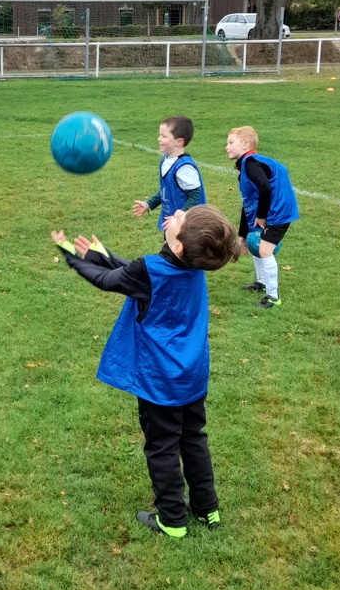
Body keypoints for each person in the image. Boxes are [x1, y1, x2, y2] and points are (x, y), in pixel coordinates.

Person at [51, 206, 240, 539]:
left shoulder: (154, 269)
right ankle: (206, 508)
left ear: (179, 245)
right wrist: (102, 254)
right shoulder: (194, 265)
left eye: (181, 218)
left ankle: (172, 520)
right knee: (193, 439)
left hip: (160, 382)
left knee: (163, 446)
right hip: (192, 376)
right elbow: (138, 275)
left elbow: (112, 281)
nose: (177, 212)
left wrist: (71, 255)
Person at [225, 126, 299, 309]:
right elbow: (247, 203)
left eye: (231, 142)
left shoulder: (250, 164)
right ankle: (261, 282)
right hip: (267, 210)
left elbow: (265, 188)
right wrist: (242, 234)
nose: (227, 147)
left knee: (265, 250)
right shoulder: (245, 168)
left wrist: (262, 216)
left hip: (278, 212)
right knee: (255, 243)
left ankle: (273, 296)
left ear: (245, 144)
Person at [132, 116, 205, 232]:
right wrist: (148, 204)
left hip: (187, 226)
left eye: (164, 136)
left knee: (181, 249)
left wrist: (182, 212)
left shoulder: (184, 167)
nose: (158, 139)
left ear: (179, 142)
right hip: (171, 221)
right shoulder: (166, 160)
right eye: (159, 134)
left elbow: (196, 194)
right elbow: (166, 190)